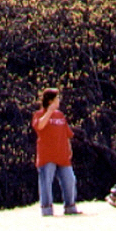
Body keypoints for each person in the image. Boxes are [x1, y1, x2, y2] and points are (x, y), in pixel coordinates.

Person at [32, 88, 81, 216]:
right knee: (46, 183)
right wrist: (49, 111)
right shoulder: (39, 114)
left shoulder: (60, 115)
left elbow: (67, 133)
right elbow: (40, 126)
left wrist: (69, 148)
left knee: (70, 180)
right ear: (50, 101)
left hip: (62, 155)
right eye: (57, 98)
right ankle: (47, 209)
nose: (59, 101)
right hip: (47, 155)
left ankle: (70, 206)